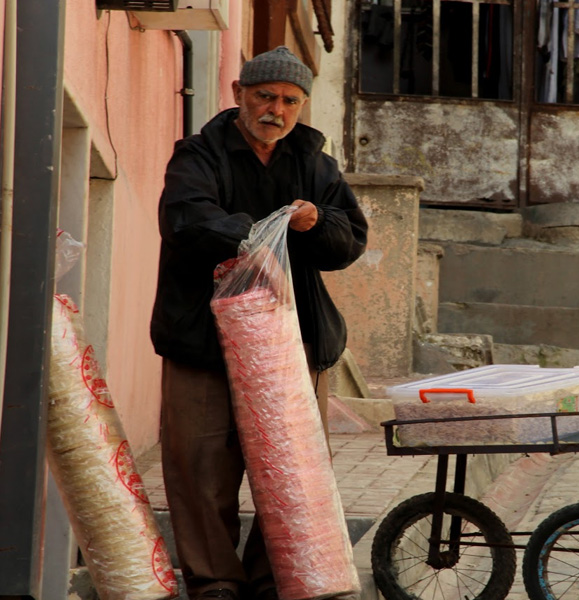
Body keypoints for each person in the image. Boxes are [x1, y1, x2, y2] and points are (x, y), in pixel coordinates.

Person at [149, 46, 368, 600]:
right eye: (265, 95)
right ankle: (216, 584)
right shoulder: (198, 155)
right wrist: (254, 240)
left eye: (290, 101)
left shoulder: (315, 165)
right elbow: (186, 218)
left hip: (295, 348)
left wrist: (316, 221)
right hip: (204, 343)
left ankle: (275, 582)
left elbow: (349, 240)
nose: (276, 109)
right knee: (201, 472)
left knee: (290, 475)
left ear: (302, 106)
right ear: (239, 94)